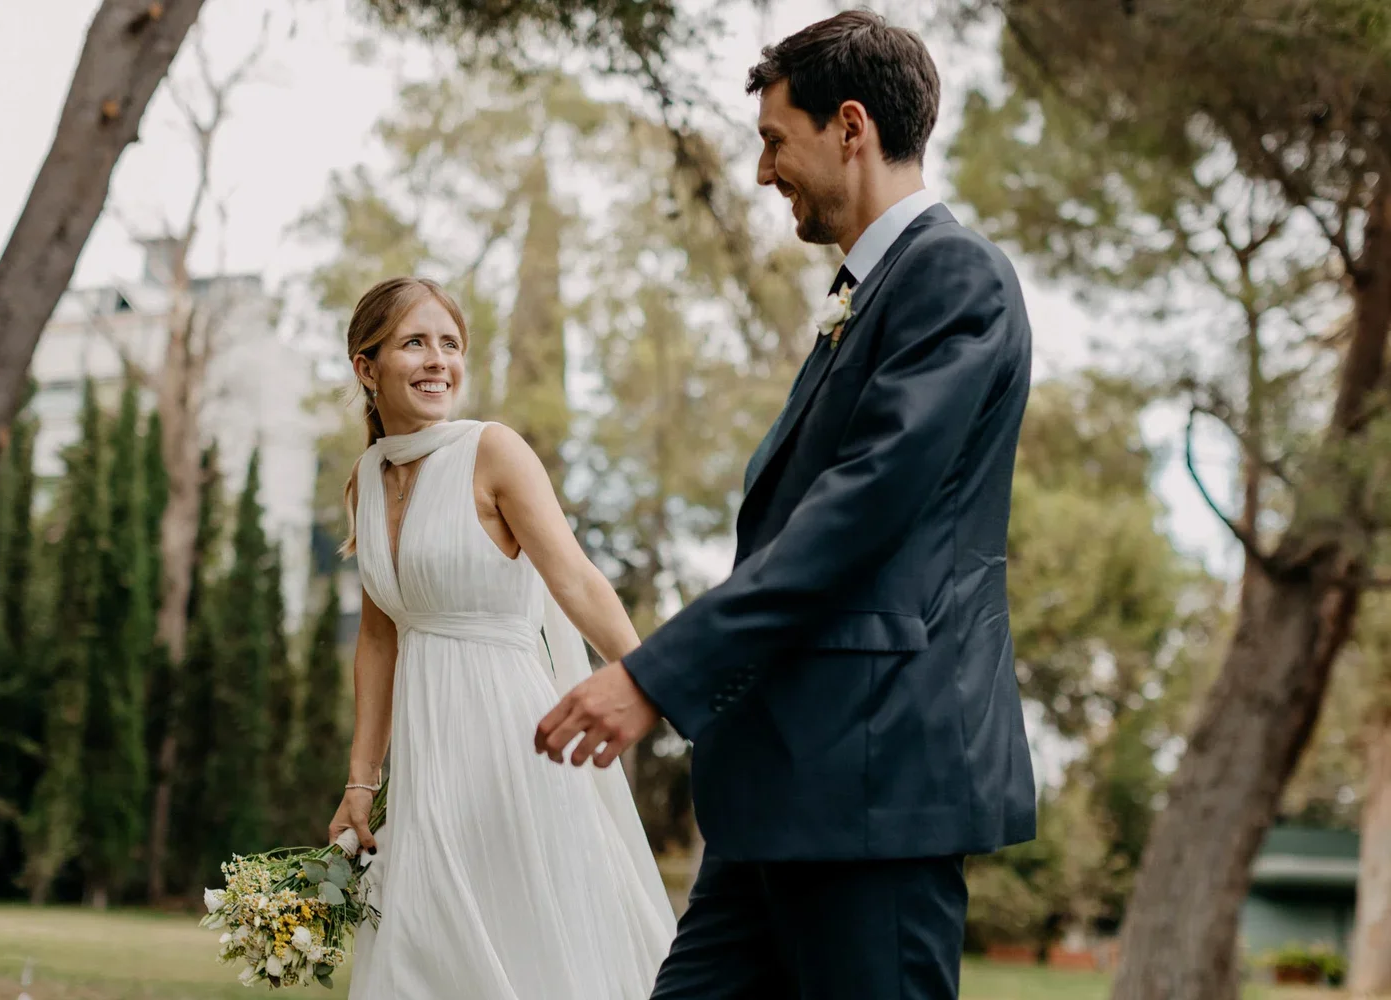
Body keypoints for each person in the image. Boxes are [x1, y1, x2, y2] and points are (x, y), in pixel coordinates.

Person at [535, 12, 1038, 999]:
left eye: (774, 140)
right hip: (783, 786)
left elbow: (858, 511)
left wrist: (655, 676)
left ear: (850, 126)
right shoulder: (870, 290)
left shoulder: (952, 276)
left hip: (869, 781)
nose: (764, 173)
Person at [328, 276, 675, 1000]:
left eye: (449, 345)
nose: (437, 362)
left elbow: (576, 580)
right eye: (413, 343)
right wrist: (362, 779)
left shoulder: (493, 451)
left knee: (523, 938)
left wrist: (656, 678)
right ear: (367, 368)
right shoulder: (366, 478)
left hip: (513, 738)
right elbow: (379, 639)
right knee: (426, 943)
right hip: (426, 756)